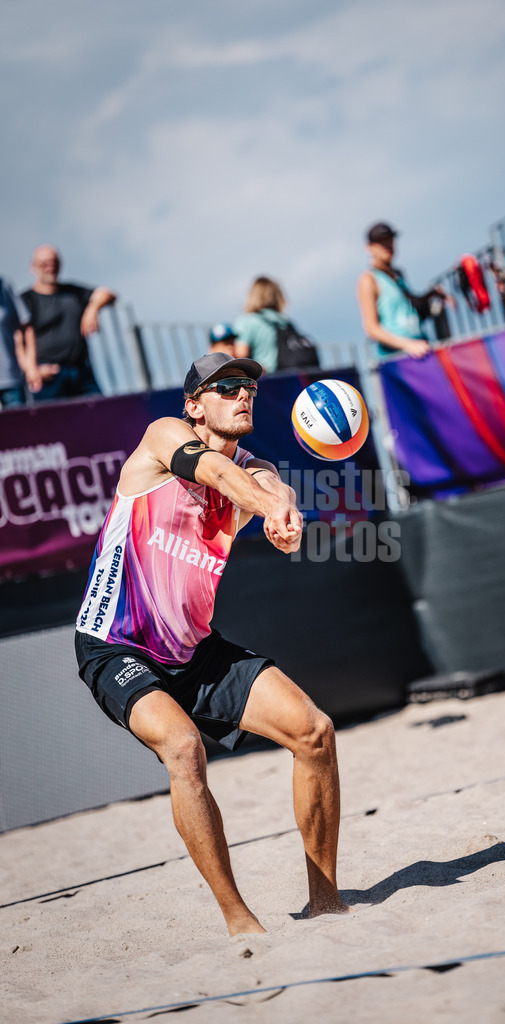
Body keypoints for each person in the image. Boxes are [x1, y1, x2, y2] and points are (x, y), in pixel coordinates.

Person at [74, 351, 350, 936]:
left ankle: (325, 903)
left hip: (193, 649)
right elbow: (221, 476)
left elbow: (269, 483)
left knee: (315, 732)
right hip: (115, 643)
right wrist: (270, 504)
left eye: (248, 385)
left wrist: (285, 511)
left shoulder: (256, 466)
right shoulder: (162, 438)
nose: (243, 393)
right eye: (226, 386)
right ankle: (238, 920)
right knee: (183, 749)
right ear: (195, 405)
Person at [21, 245, 116, 401]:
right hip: (49, 376)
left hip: (81, 371)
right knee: (53, 423)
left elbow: (108, 293)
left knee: (101, 416)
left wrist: (93, 308)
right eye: (44, 263)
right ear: (33, 267)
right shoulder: (25, 301)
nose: (50, 267)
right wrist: (31, 370)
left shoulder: (73, 292)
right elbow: (18, 340)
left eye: (54, 262)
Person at [356, 222, 441, 359]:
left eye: (389, 239)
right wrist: (408, 345)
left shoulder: (399, 275)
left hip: (422, 350)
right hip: (396, 360)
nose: (387, 245)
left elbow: (409, 310)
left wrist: (433, 295)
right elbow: (372, 329)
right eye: (381, 242)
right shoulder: (368, 280)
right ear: (369, 247)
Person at [0, 277, 41, 408]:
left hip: (10, 379)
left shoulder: (4, 285)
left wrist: (30, 366)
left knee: (19, 426)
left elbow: (25, 327)